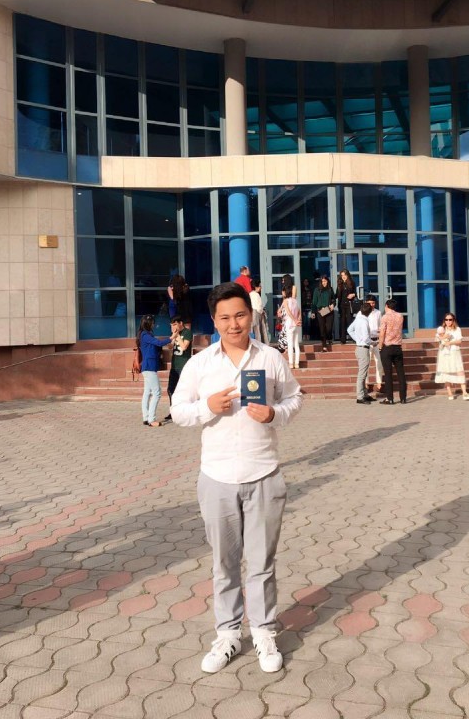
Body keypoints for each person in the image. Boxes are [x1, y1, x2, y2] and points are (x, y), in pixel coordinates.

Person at [170, 282, 303, 673]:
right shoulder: (200, 364)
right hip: (217, 478)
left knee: (261, 563)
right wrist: (207, 407)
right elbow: (177, 410)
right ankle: (228, 634)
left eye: (240, 315)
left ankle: (263, 632)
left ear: (251, 315)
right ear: (214, 321)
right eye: (225, 318)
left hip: (264, 474)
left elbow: (295, 397)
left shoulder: (271, 358)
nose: (234, 324)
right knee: (224, 564)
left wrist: (275, 414)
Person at [137, 314, 175, 427]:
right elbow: (158, 343)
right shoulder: (145, 335)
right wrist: (171, 337)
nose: (154, 324)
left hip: (149, 367)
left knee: (147, 392)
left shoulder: (146, 334)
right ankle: (151, 419)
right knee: (157, 393)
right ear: (148, 324)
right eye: (152, 322)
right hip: (149, 367)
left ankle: (146, 417)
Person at [435, 313, 469, 401]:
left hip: (455, 352)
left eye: (450, 319)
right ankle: (449, 393)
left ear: (453, 320)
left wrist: (450, 342)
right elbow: (436, 339)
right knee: (446, 372)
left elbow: (459, 341)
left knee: (459, 371)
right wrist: (443, 337)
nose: (448, 321)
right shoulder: (441, 329)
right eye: (446, 319)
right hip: (444, 353)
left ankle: (464, 393)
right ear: (444, 320)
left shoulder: (457, 329)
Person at [163, 315, 192, 424]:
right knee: (170, 389)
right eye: (172, 325)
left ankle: (186, 412)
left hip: (184, 366)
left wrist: (178, 336)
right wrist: (172, 337)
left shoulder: (187, 333)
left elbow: (184, 347)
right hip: (175, 366)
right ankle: (173, 411)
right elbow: (170, 347)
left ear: (181, 323)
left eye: (175, 324)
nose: (173, 327)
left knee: (184, 390)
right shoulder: (175, 334)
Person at [378, 298, 407, 405]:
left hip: (387, 347)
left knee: (388, 373)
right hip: (398, 347)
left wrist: (380, 346)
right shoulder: (400, 316)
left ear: (386, 306)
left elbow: (382, 333)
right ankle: (403, 398)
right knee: (401, 373)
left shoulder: (385, 317)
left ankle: (389, 398)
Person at [347, 302, 373, 404]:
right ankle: (360, 396)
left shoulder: (358, 319)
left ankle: (364, 394)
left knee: (364, 373)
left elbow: (349, 330)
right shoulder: (364, 321)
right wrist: (374, 343)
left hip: (359, 347)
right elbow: (366, 338)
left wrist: (357, 339)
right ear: (370, 312)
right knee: (362, 374)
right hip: (363, 348)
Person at [312, 274, 335, 352]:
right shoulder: (317, 290)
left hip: (329, 310)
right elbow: (314, 302)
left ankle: (329, 338)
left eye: (325, 281)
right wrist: (313, 312)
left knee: (329, 328)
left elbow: (333, 299)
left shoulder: (330, 289)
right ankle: (324, 346)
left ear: (327, 281)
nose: (324, 283)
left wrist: (333, 304)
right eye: (322, 281)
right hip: (320, 311)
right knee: (322, 329)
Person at [366, 295, 383, 395]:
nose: (372, 305)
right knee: (366, 363)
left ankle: (379, 382)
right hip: (367, 341)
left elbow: (381, 326)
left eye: (373, 303)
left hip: (376, 340)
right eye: (370, 303)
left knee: (379, 362)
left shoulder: (378, 312)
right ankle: (366, 383)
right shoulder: (362, 313)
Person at [280, 285, 301, 369]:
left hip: (289, 323)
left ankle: (291, 363)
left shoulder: (286, 301)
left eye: (283, 292)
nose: (282, 293)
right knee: (296, 344)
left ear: (285, 292)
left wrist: (294, 320)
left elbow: (288, 312)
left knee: (290, 344)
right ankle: (297, 363)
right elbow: (299, 312)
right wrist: (298, 320)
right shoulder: (295, 301)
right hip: (296, 325)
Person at [336, 269, 357, 344]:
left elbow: (356, 293)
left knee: (349, 321)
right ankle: (343, 339)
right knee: (342, 321)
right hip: (342, 305)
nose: (343, 277)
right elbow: (336, 295)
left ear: (347, 275)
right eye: (342, 275)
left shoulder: (352, 283)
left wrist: (353, 294)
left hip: (349, 304)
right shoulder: (340, 284)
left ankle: (354, 338)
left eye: (345, 275)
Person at [250, 278, 269, 343]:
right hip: (257, 314)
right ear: (256, 287)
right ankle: (260, 343)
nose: (261, 287)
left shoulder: (250, 294)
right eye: (260, 286)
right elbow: (259, 307)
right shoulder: (257, 295)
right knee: (259, 330)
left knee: (254, 330)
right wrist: (263, 312)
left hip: (251, 314)